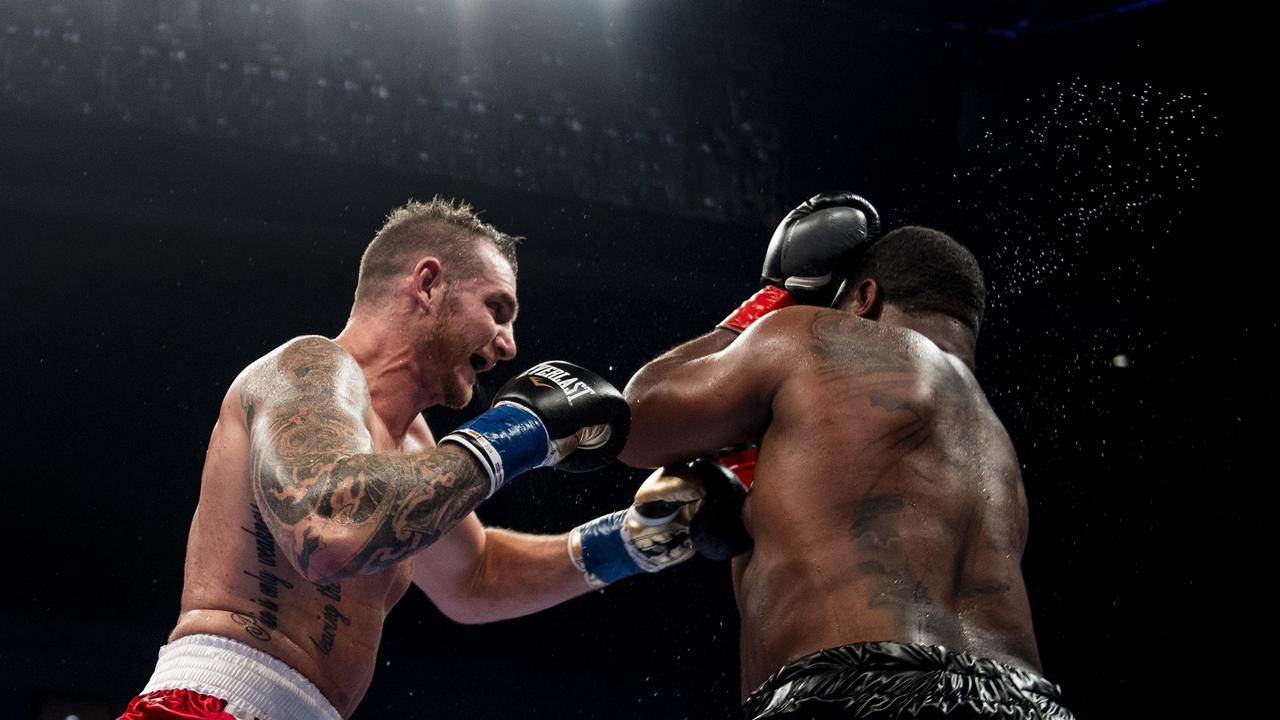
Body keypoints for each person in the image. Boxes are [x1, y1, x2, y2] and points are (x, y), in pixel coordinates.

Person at [116, 197, 686, 720]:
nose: (509, 344)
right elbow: (332, 529)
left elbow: (477, 575)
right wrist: (517, 434)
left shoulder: (417, 452)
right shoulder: (308, 369)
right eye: (497, 308)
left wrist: (636, 540)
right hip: (209, 704)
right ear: (429, 283)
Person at [619, 193, 1075, 718]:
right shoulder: (993, 449)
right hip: (1027, 701)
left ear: (863, 296)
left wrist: (775, 300)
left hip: (860, 685)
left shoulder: (821, 335)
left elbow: (636, 421)